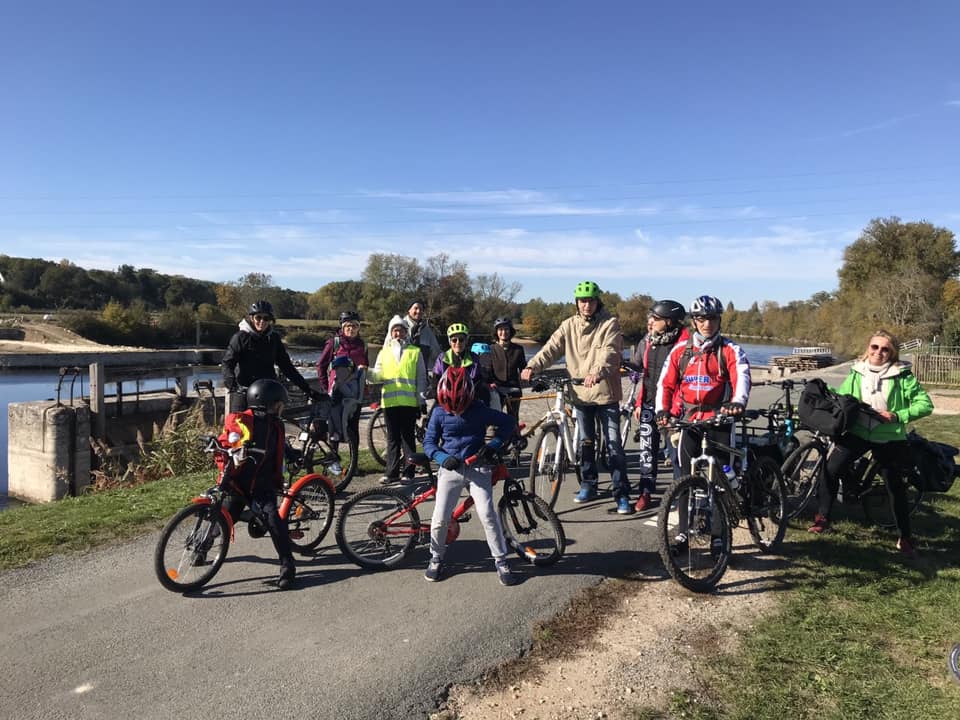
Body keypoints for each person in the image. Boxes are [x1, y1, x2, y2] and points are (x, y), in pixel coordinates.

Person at [807, 330, 933, 556]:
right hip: (858, 431)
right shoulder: (857, 371)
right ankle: (822, 518)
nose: (878, 352)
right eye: (875, 347)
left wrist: (897, 415)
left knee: (895, 486)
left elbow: (925, 404)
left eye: (885, 349)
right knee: (830, 469)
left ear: (892, 353)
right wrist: (825, 397)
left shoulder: (902, 375)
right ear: (868, 348)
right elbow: (844, 395)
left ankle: (905, 537)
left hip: (888, 436)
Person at [520, 281, 631, 514]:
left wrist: (597, 372)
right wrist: (532, 366)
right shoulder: (569, 325)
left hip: (604, 393)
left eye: (590, 301)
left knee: (613, 446)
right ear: (577, 303)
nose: (586, 305)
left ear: (597, 302)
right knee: (586, 442)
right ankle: (588, 484)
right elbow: (551, 348)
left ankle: (622, 494)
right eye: (582, 301)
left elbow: (610, 352)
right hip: (579, 394)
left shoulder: (609, 324)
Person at [655, 295, 751, 553]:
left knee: (719, 479)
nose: (707, 323)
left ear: (719, 320)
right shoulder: (681, 351)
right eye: (701, 318)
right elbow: (665, 383)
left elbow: (742, 376)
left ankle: (719, 536)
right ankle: (683, 535)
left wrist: (738, 402)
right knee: (684, 478)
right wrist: (662, 410)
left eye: (712, 318)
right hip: (690, 421)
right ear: (694, 321)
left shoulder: (730, 350)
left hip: (718, 419)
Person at [422, 366, 519, 586]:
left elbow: (508, 423)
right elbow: (428, 443)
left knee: (487, 514)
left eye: (460, 408)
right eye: (451, 409)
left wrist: (493, 444)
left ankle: (501, 560)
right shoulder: (438, 413)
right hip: (450, 469)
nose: (456, 413)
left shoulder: (480, 409)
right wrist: (440, 457)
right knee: (439, 519)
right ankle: (436, 557)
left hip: (478, 468)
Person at [219, 379, 297, 590]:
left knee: (272, 519)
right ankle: (202, 547)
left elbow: (282, 446)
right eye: (279, 404)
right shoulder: (243, 420)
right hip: (239, 483)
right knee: (225, 516)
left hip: (262, 485)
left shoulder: (276, 426)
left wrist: (292, 455)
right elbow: (230, 437)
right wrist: (227, 446)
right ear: (270, 404)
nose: (281, 409)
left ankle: (287, 564)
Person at [631, 300, 690, 511]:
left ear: (669, 321)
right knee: (647, 451)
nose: (650, 322)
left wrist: (674, 411)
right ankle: (645, 492)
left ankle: (679, 495)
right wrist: (639, 402)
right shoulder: (649, 341)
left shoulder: (685, 344)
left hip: (673, 409)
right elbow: (645, 375)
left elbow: (685, 381)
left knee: (676, 455)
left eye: (655, 319)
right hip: (648, 404)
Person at [221, 299, 320, 412]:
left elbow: (287, 367)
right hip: (244, 392)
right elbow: (227, 363)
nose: (262, 321)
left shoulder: (273, 339)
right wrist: (232, 385)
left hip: (268, 392)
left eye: (266, 318)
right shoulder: (240, 338)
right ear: (252, 318)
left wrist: (308, 390)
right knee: (239, 427)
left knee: (271, 427)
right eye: (258, 317)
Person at [367, 315, 428, 484]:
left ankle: (409, 472)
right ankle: (391, 472)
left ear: (405, 332)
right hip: (390, 402)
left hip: (409, 403)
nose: (398, 333)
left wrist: (421, 400)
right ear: (390, 333)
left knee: (407, 438)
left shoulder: (415, 352)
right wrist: (367, 372)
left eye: (401, 330)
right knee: (392, 439)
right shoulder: (384, 352)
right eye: (395, 330)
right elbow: (378, 375)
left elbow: (421, 378)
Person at [316, 311, 370, 470]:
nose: (351, 329)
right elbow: (321, 365)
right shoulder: (335, 343)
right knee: (335, 427)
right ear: (342, 327)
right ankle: (333, 461)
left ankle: (354, 465)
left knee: (353, 428)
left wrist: (364, 387)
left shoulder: (363, 345)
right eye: (347, 326)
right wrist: (326, 388)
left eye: (354, 326)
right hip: (337, 393)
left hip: (355, 393)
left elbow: (364, 368)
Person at [433, 322, 491, 406]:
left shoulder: (474, 358)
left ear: (466, 341)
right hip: (446, 401)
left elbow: (480, 382)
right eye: (454, 340)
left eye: (461, 339)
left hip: (470, 401)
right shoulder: (442, 358)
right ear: (449, 342)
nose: (458, 343)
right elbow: (435, 382)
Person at [383, 300, 442, 374]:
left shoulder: (427, 330)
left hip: (421, 373)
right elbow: (386, 348)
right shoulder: (398, 325)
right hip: (400, 373)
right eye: (416, 308)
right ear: (409, 310)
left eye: (421, 309)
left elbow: (436, 353)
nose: (418, 311)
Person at [489, 317, 527, 422]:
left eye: (506, 329)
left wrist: (532, 378)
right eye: (500, 330)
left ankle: (515, 437)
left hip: (514, 389)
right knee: (495, 420)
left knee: (513, 420)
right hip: (497, 390)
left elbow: (524, 368)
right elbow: (487, 370)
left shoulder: (518, 350)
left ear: (510, 331)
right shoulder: (491, 349)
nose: (503, 332)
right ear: (496, 332)